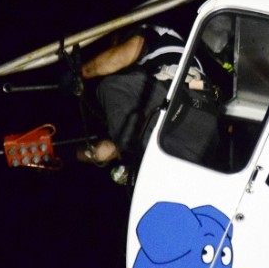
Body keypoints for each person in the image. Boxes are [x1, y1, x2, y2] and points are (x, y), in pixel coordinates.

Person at [74, 24, 197, 178]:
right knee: (125, 136)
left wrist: (80, 73)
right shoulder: (168, 62)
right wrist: (74, 155)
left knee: (110, 86)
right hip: (198, 127)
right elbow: (105, 150)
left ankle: (136, 160)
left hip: (182, 101)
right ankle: (137, 160)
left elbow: (119, 58)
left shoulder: (153, 32)